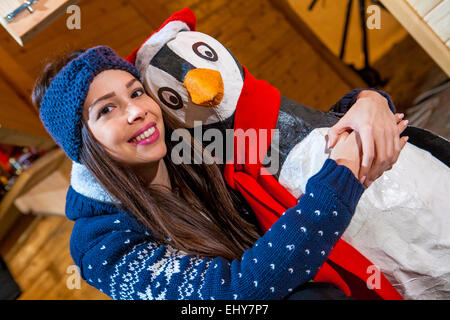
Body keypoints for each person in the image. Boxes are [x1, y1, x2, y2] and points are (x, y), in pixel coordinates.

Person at [33, 46, 406, 300]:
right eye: (105, 110)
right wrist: (342, 177)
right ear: (83, 147)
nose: (135, 111)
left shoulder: (190, 146)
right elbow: (234, 293)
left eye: (134, 93)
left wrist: (365, 106)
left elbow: (291, 139)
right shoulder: (100, 246)